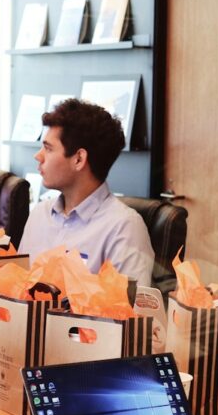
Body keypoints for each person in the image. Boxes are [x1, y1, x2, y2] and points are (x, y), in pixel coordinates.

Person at [18, 99, 154, 286]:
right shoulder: (39, 215)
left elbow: (131, 312)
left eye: (48, 149)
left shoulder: (124, 227)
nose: (38, 156)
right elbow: (15, 292)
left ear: (79, 159)